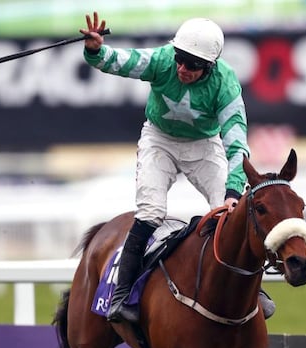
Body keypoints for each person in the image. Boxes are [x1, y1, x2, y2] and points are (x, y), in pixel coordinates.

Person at [80, 11, 275, 322]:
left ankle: (254, 290)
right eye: (180, 59)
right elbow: (121, 61)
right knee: (150, 213)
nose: (183, 68)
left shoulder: (226, 85)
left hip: (204, 145)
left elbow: (237, 145)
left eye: (193, 65)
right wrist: (95, 50)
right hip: (159, 140)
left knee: (233, 212)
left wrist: (232, 190)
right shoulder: (162, 59)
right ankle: (121, 295)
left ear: (209, 67)